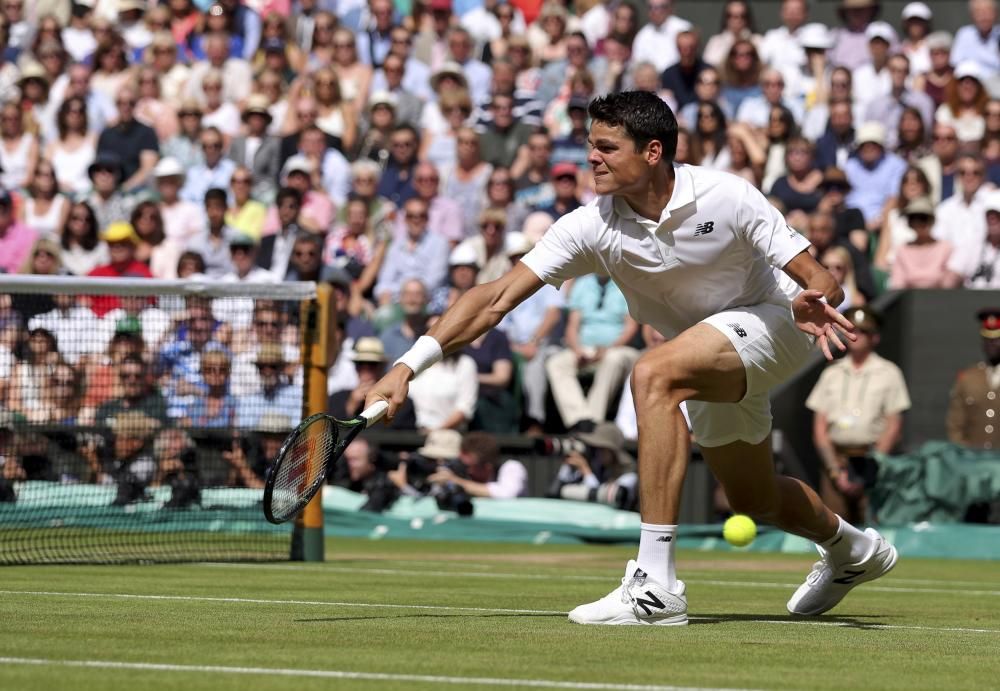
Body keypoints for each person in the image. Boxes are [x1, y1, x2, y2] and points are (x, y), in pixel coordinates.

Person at [365, 91, 896, 626]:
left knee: (653, 372)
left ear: (652, 152)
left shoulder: (728, 195)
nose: (591, 158)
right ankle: (854, 551)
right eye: (590, 146)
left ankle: (656, 586)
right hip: (707, 350)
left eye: (606, 147)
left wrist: (818, 297)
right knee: (753, 498)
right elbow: (497, 297)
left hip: (781, 319)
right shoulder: (590, 224)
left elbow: (821, 277)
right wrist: (407, 365)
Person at [807, 306, 911, 526]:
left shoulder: (889, 372)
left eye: (863, 332)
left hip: (872, 458)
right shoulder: (831, 372)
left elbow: (893, 426)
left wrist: (870, 469)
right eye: (851, 330)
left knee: (873, 527)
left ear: (875, 337)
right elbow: (819, 428)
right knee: (833, 527)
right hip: (837, 460)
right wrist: (835, 472)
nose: (855, 336)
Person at [947, 307, 1000, 451]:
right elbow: (955, 425)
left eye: (996, 339)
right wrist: (963, 453)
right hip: (973, 462)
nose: (991, 344)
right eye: (987, 340)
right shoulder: (968, 378)